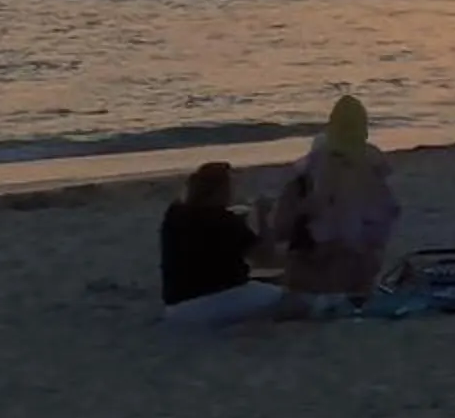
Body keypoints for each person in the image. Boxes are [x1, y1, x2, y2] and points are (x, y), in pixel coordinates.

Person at [267, 94, 401, 298]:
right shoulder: (375, 167)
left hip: (316, 272)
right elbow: (385, 222)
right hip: (358, 271)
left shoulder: (306, 172)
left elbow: (280, 229)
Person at [159, 161, 285, 329]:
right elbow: (266, 258)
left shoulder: (174, 213)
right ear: (220, 191)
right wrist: (263, 216)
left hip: (175, 307)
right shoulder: (224, 221)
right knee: (288, 299)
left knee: (264, 283)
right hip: (215, 301)